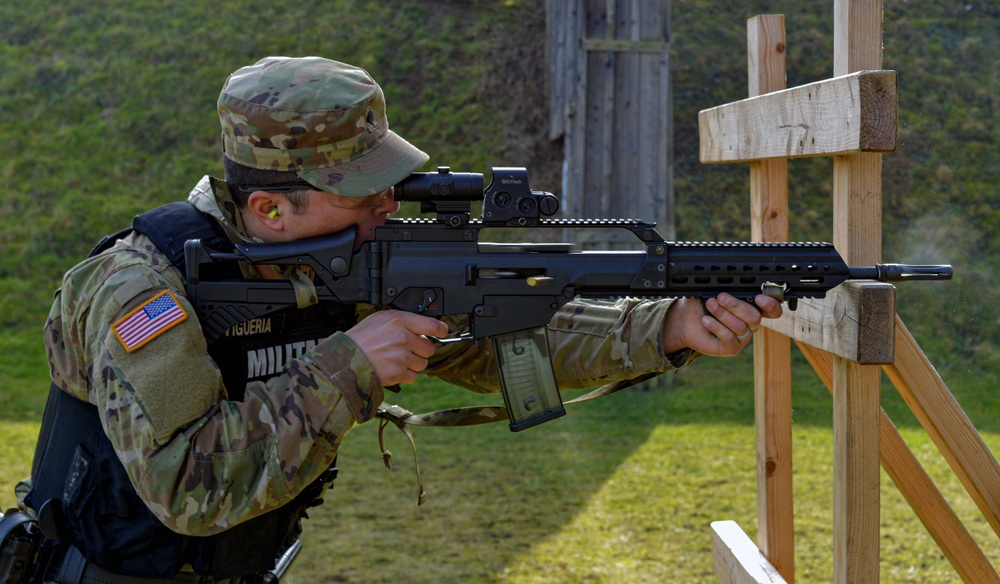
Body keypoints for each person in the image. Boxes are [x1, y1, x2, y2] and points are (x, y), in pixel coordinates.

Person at [14, 56, 781, 582]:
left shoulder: (346, 261)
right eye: (363, 192)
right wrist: (349, 365)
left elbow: (499, 340)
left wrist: (669, 326)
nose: (390, 207)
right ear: (269, 208)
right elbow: (187, 489)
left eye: (391, 183)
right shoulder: (143, 290)